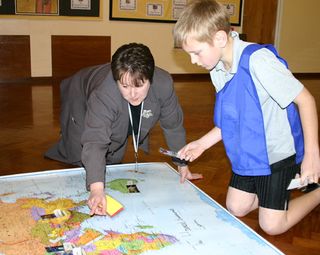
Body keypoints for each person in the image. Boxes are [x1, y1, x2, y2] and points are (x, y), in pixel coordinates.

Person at [173, 0, 320, 235]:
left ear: (220, 39)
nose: (193, 61)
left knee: (271, 225)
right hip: (250, 152)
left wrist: (312, 156)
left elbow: (306, 101)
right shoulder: (218, 69)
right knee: (236, 207)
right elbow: (231, 121)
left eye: (196, 52)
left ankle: (316, 191)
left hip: (276, 155)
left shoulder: (259, 61)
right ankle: (276, 195)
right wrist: (201, 144)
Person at [45, 43, 202, 215]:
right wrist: (96, 189)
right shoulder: (104, 93)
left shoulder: (164, 83)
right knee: (78, 152)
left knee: (113, 155)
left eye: (139, 86)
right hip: (80, 95)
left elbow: (173, 125)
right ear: (116, 79)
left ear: (150, 78)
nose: (132, 94)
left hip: (112, 100)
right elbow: (96, 140)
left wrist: (182, 165)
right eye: (125, 86)